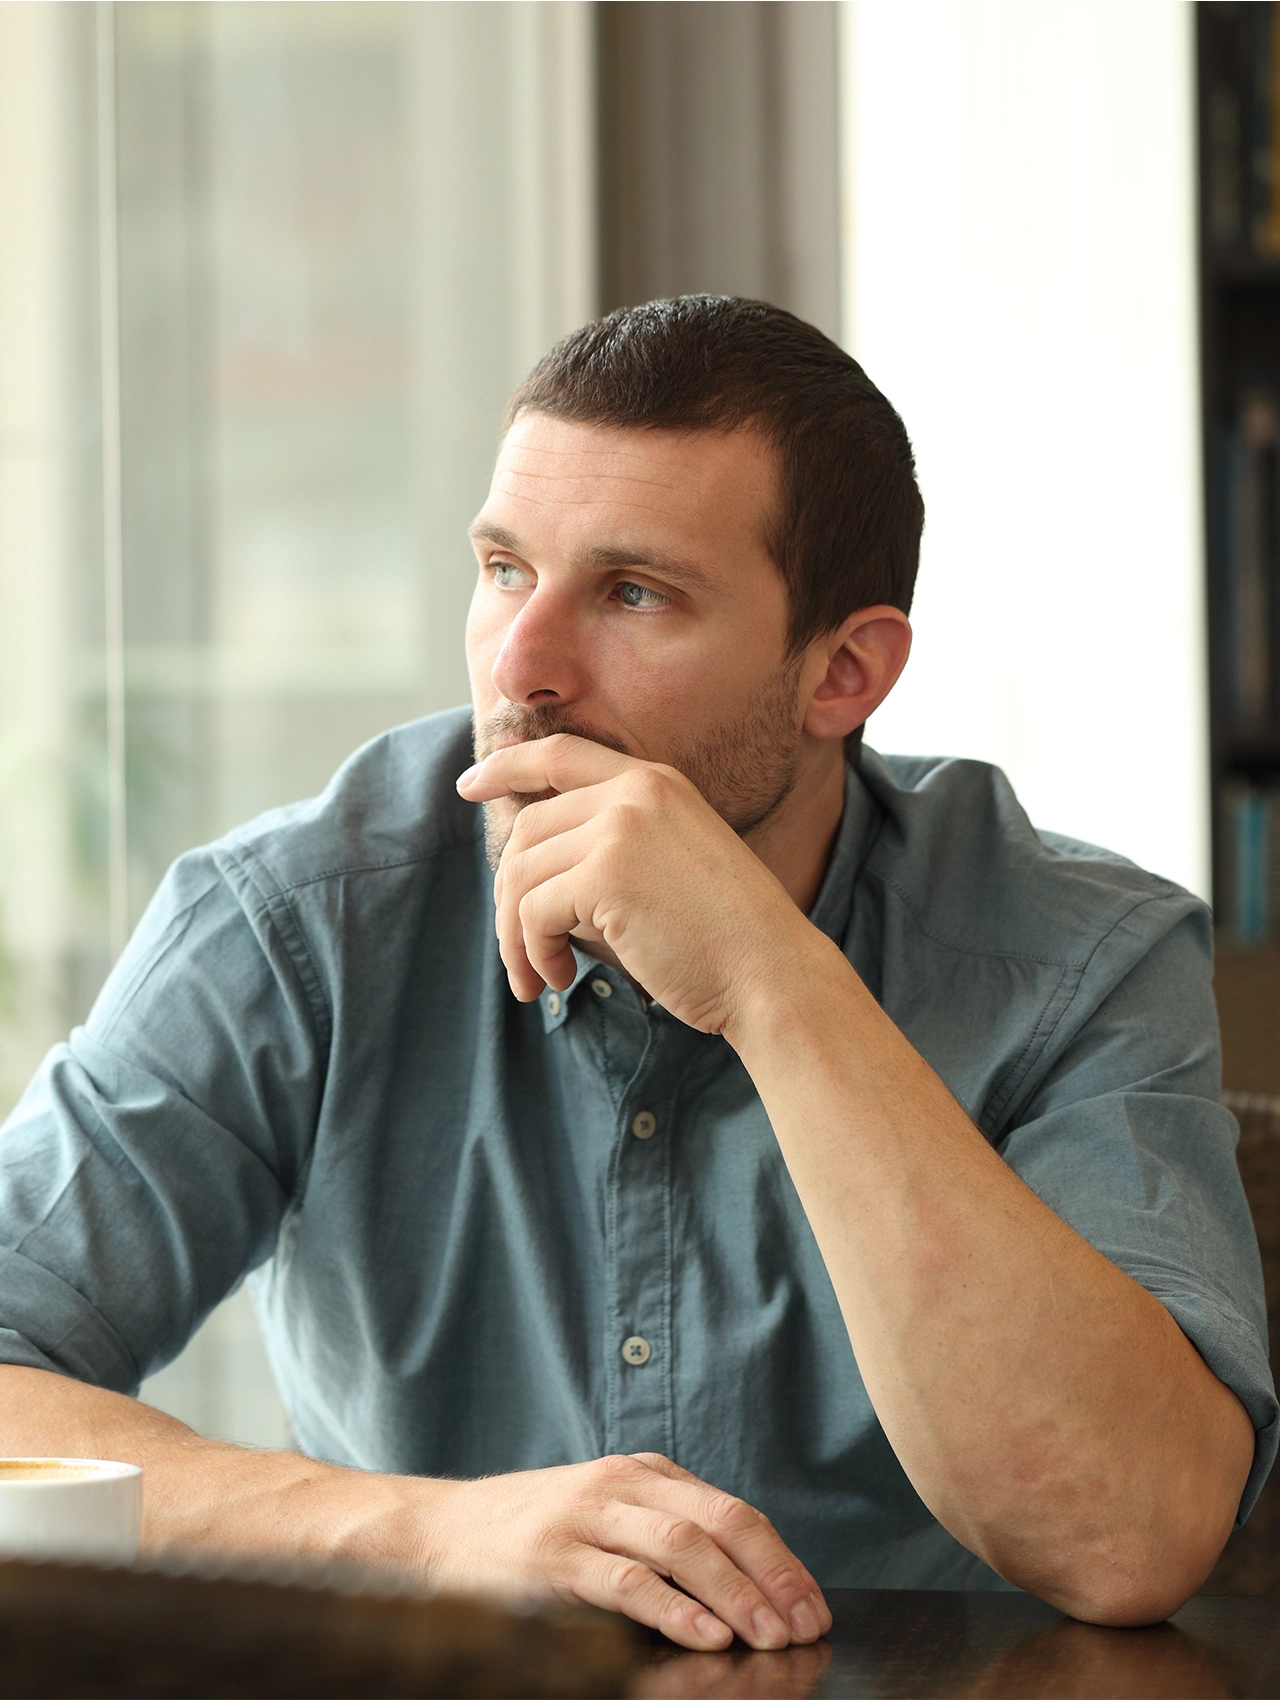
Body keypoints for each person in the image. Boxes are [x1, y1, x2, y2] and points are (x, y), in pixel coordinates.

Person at [0, 297, 1273, 1652]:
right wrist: (431, 1532)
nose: (522, 669)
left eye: (632, 594)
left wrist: (768, 980)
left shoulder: (1080, 954)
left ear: (843, 673)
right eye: (502, 571)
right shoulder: (302, 921)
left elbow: (1131, 1535)